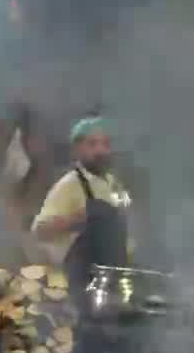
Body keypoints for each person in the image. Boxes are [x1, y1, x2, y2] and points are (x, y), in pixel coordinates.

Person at [32, 116, 132, 291]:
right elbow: (40, 231)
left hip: (115, 281)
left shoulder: (114, 183)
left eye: (106, 144)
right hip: (82, 286)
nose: (101, 150)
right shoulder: (69, 185)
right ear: (77, 150)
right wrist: (80, 218)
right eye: (92, 144)